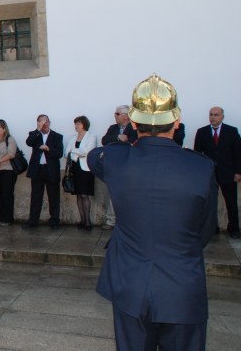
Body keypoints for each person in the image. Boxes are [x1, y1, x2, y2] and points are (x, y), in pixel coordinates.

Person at [86, 74, 217, 351]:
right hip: (182, 287)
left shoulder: (116, 158)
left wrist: (129, 145)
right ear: (177, 122)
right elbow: (205, 230)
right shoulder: (202, 167)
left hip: (130, 286)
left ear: (133, 123)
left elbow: (92, 156)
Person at [194, 106, 241, 239]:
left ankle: (234, 229)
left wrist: (238, 172)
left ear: (222, 117)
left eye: (216, 115)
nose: (213, 117)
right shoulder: (202, 132)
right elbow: (198, 154)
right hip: (210, 174)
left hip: (228, 172)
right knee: (210, 202)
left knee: (231, 202)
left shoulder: (231, 131)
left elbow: (238, 153)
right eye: (211, 114)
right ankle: (212, 228)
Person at [22, 114, 64, 230]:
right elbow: (28, 143)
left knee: (53, 197)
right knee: (36, 196)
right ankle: (33, 221)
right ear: (38, 124)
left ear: (50, 123)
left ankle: (54, 221)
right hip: (37, 169)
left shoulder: (57, 136)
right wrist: (38, 130)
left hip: (51, 170)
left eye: (46, 123)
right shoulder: (34, 134)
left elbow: (59, 153)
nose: (44, 125)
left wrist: (49, 149)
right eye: (41, 123)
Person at [100, 105, 137, 231]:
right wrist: (118, 137)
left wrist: (125, 141)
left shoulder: (135, 127)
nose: (114, 116)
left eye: (117, 113)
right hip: (114, 165)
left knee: (130, 194)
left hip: (129, 165)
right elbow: (104, 140)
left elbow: (135, 142)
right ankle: (111, 220)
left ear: (126, 115)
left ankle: (128, 221)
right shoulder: (113, 128)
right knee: (112, 193)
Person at [65, 116, 98, 230]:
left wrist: (74, 151)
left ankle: (88, 221)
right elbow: (66, 152)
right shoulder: (72, 137)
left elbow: (88, 151)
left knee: (84, 194)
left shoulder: (91, 136)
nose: (76, 126)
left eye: (78, 123)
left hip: (86, 168)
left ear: (84, 124)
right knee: (78, 194)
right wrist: (76, 152)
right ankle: (82, 220)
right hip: (74, 168)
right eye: (75, 124)